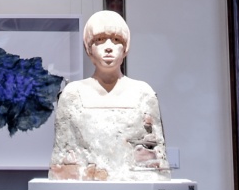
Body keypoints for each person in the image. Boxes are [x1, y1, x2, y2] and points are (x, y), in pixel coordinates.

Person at [49, 10, 170, 181]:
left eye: (116, 40)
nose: (108, 47)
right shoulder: (72, 94)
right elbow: (61, 159)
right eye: (99, 40)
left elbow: (158, 163)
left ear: (125, 49)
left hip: (134, 187)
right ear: (89, 49)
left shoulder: (143, 93)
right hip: (85, 187)